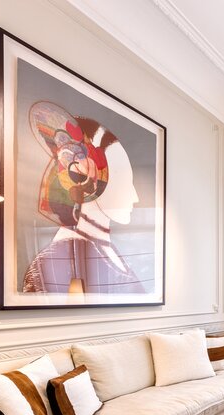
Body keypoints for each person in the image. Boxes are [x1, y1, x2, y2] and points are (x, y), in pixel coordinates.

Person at [22, 101, 148, 295]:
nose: (135, 196)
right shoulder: (56, 259)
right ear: (89, 181)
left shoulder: (107, 250)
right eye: (125, 181)